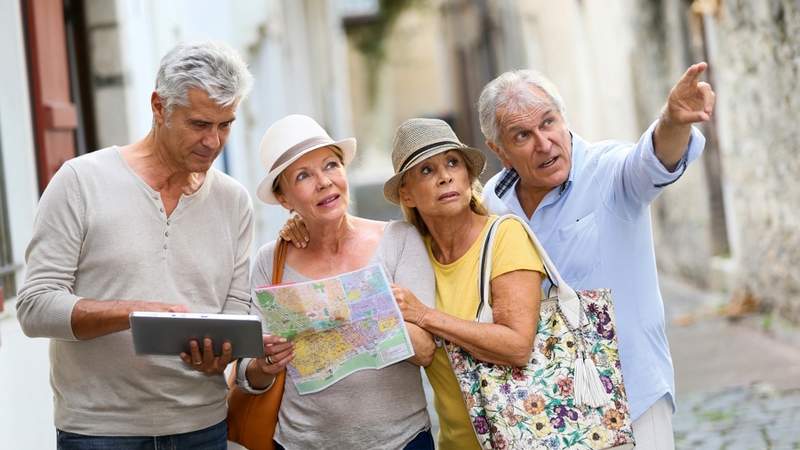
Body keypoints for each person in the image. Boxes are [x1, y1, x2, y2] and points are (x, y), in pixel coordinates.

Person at [16, 41, 254, 449]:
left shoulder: (234, 201)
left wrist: (223, 352)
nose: (214, 142)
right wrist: (132, 312)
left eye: (225, 124)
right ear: (159, 107)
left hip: (203, 427)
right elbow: (35, 307)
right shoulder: (80, 182)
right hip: (100, 432)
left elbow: (237, 310)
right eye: (199, 124)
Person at [477, 63, 716, 449]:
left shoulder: (609, 170)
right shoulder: (493, 202)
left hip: (630, 396)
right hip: (546, 407)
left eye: (549, 122)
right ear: (499, 150)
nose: (544, 143)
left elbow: (652, 160)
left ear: (563, 117)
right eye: (522, 135)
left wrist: (673, 122)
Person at [236, 114, 436, 450]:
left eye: (330, 165)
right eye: (303, 176)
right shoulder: (270, 261)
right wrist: (265, 364)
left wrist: (369, 310)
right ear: (284, 199)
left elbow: (427, 350)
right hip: (301, 442)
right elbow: (246, 374)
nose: (324, 182)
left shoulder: (399, 239)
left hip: (400, 441)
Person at [385, 118, 546, 449]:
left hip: (526, 438)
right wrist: (298, 228)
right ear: (407, 193)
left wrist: (426, 315)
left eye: (452, 163)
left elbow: (517, 346)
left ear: (468, 176)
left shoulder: (504, 236)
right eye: (426, 171)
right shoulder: (410, 253)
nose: (445, 176)